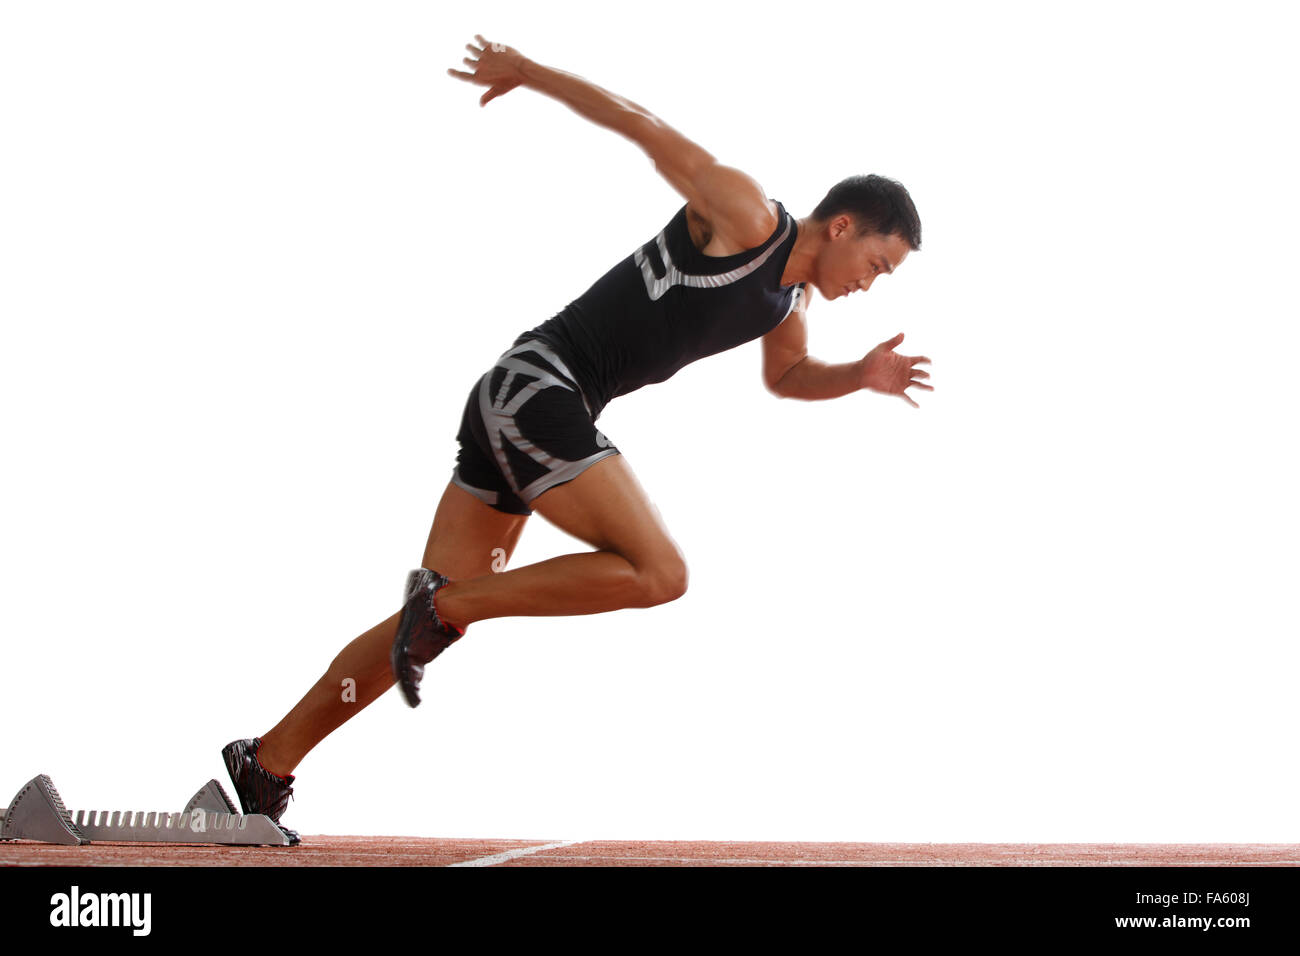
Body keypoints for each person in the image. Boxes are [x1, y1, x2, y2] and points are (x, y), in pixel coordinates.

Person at [221, 35, 931, 844]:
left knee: (423, 630)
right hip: (539, 388)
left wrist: (861, 376)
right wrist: (531, 72)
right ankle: (447, 602)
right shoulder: (747, 214)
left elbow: (790, 377)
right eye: (876, 262)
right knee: (659, 572)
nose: (870, 283)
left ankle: (265, 764)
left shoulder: (786, 306)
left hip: (523, 408)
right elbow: (639, 122)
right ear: (842, 226)